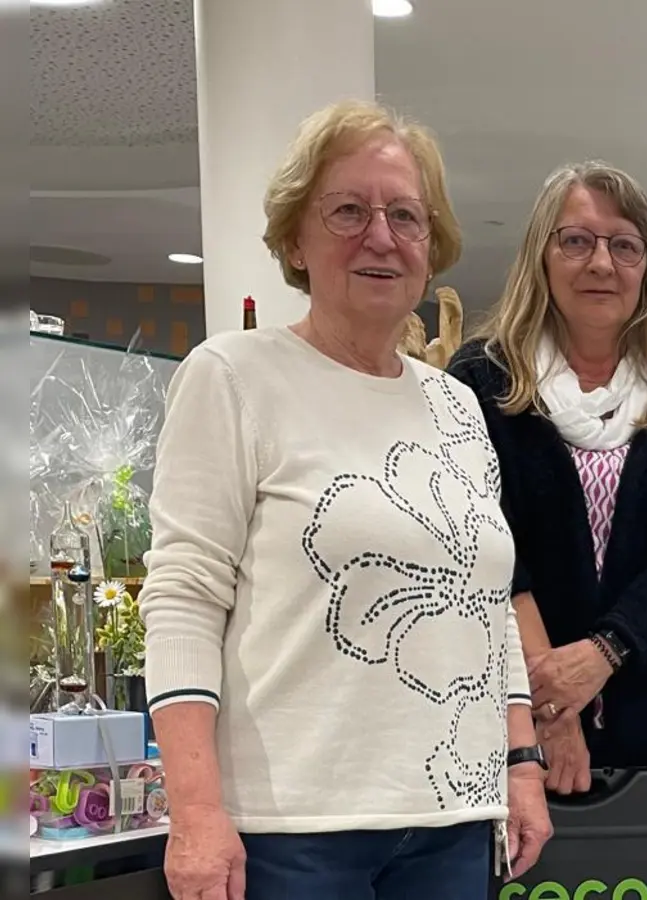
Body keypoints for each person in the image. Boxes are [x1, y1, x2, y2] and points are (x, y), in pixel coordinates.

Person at [139, 101, 551, 900]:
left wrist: (520, 763)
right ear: (296, 237)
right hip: (296, 831)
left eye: (405, 215)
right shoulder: (234, 376)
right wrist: (194, 812)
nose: (381, 236)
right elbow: (183, 599)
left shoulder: (457, 406)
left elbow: (489, 603)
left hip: (453, 815)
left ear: (431, 248)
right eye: (348, 211)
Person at [447, 161, 647, 793]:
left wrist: (604, 653)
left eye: (624, 245)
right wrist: (550, 707)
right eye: (576, 240)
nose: (601, 263)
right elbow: (483, 549)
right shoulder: (480, 382)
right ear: (541, 257)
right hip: (509, 722)